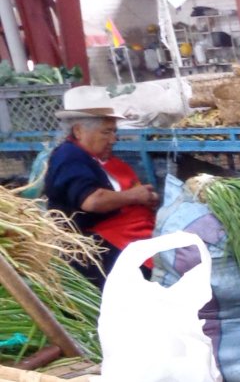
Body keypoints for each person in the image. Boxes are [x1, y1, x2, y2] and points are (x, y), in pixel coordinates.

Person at [44, 103, 158, 287]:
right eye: (106, 132)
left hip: (113, 238)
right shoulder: (69, 156)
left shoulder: (93, 158)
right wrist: (134, 196)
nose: (113, 139)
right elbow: (92, 201)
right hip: (89, 249)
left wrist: (144, 196)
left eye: (114, 132)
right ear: (79, 131)